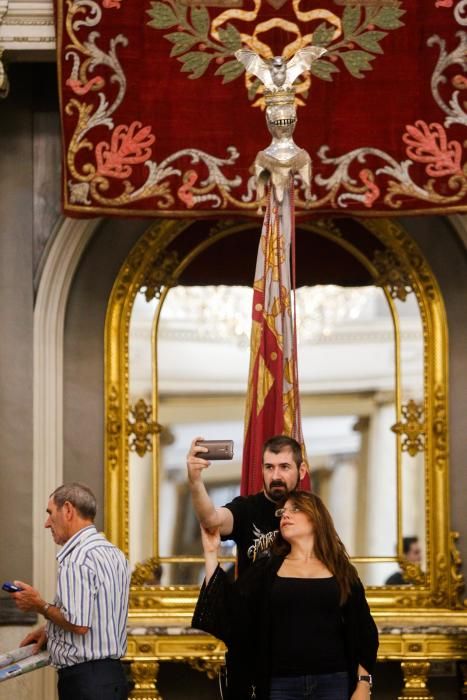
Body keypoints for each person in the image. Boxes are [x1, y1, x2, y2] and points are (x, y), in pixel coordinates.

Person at [193, 490, 378, 700]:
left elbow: (365, 631)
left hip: (334, 682)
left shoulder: (341, 570)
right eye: (283, 511)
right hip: (280, 685)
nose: (285, 515)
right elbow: (228, 612)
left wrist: (363, 685)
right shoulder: (266, 570)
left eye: (295, 509)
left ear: (317, 517)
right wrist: (210, 553)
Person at [8, 482, 130, 700]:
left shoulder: (77, 558)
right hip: (113, 678)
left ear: (67, 510)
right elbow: (98, 616)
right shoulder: (115, 554)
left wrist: (39, 605)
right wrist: (51, 630)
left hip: (86, 684)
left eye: (50, 513)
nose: (47, 523)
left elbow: (78, 624)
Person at [187, 434, 308, 575]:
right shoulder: (246, 508)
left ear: (301, 471)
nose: (275, 476)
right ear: (262, 469)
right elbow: (211, 520)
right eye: (269, 467)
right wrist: (195, 481)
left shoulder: (312, 513)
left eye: (284, 467)